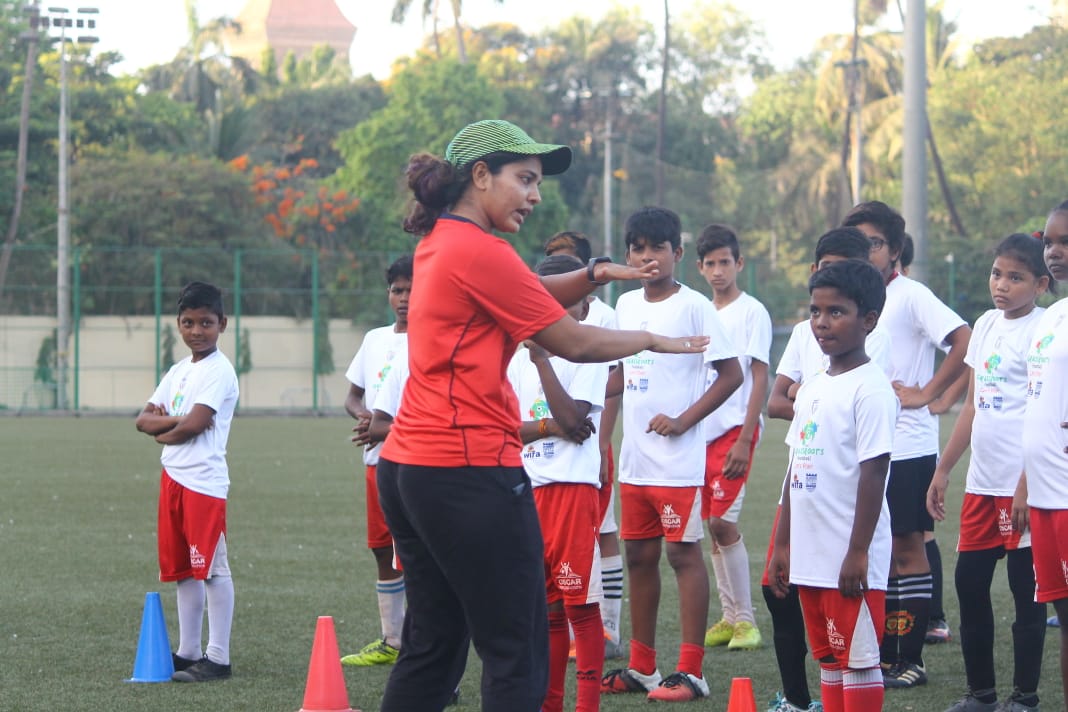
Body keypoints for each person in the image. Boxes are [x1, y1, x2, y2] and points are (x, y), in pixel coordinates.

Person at [374, 119, 708, 712]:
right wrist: (650, 339)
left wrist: (594, 273)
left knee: (435, 640)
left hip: (410, 468)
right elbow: (575, 341)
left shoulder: (440, 241)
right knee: (518, 647)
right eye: (524, 179)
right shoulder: (480, 249)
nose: (535, 195)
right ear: (480, 176)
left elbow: (523, 293)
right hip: (467, 468)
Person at [600, 206, 743, 702]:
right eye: (638, 248)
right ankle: (642, 666)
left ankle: (692, 671)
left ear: (677, 254)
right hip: (636, 461)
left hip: (677, 463)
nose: (647, 257)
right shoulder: (623, 306)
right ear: (628, 255)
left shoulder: (695, 306)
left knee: (683, 555)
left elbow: (732, 375)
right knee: (639, 555)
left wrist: (685, 420)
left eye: (657, 248)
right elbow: (619, 374)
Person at [842, 201, 971, 689]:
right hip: (860, 448)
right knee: (870, 550)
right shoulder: (853, 295)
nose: (865, 251)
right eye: (858, 242)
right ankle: (880, 652)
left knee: (905, 549)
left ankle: (908, 659)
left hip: (907, 447)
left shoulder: (910, 294)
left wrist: (928, 394)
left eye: (874, 242)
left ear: (894, 250)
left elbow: (964, 338)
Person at [763, 226, 890, 712]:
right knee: (830, 659)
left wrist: (858, 552)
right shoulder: (812, 386)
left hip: (848, 557)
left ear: (869, 320)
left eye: (836, 312)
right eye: (815, 311)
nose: (821, 322)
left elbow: (874, 473)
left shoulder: (870, 388)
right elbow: (797, 467)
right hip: (810, 556)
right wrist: (782, 545)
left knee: (858, 660)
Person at [927, 233, 1052, 711]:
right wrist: (943, 470)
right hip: (982, 486)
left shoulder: (1046, 330)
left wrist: (1026, 484)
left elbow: (1044, 415)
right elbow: (973, 406)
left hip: (1026, 487)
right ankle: (981, 694)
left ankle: (1025, 697)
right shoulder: (984, 325)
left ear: (1040, 284)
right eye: (997, 273)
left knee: (1027, 596)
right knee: (970, 587)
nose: (1001, 285)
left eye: (1015, 277)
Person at [508, 253, 611, 712]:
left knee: (581, 608)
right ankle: (551, 704)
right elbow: (508, 428)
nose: (552, 306)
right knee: (546, 610)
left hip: (571, 488)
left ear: (581, 301)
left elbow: (575, 419)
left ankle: (586, 704)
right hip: (527, 488)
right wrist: (549, 427)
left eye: (562, 298)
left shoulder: (588, 348)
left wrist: (545, 361)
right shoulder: (515, 358)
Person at [135, 281, 240, 683]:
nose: (197, 330)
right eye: (189, 322)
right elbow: (143, 419)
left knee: (211, 567)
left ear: (222, 324)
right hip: (173, 478)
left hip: (203, 482)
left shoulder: (219, 371)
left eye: (206, 322)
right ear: (179, 324)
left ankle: (219, 657)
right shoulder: (179, 371)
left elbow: (197, 424)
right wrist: (174, 425)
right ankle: (189, 651)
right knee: (182, 569)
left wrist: (168, 428)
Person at [544, 231, 626, 659]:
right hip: (541, 468)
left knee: (603, 532)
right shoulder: (528, 336)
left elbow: (612, 384)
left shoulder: (602, 317)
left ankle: (607, 627)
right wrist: (548, 427)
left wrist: (603, 445)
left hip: (589, 448)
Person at [693, 224, 770, 653]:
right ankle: (728, 616)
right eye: (711, 264)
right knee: (712, 526)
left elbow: (759, 374)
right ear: (700, 268)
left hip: (734, 433)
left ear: (739, 263)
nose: (719, 270)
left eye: (726, 262)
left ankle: (747, 621)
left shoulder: (752, 311)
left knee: (723, 522)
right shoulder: (702, 312)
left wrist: (745, 437)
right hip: (702, 435)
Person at [340, 255, 412, 667]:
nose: (403, 298)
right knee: (381, 549)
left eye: (410, 289)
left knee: (415, 554)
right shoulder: (375, 339)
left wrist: (389, 426)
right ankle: (391, 640)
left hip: (414, 463)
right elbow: (353, 396)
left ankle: (422, 644)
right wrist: (365, 417)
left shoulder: (429, 339)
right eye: (396, 290)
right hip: (376, 462)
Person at [1022, 201, 1068, 712]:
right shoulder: (1052, 316)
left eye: (1064, 242)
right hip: (1045, 495)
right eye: (1048, 241)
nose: (1053, 252)